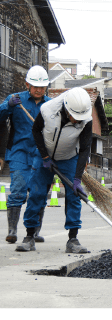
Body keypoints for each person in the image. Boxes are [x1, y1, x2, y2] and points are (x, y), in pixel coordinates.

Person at [16, 87, 93, 254]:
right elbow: (36, 130)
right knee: (36, 193)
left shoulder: (86, 118)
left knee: (74, 196)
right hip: (44, 155)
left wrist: (77, 179)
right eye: (74, 117)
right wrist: (44, 157)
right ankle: (29, 236)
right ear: (66, 108)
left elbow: (85, 149)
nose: (76, 121)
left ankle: (73, 239)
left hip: (69, 157)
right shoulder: (47, 110)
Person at [0, 65, 51, 243]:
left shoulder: (51, 105)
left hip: (42, 154)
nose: (38, 90)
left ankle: (35, 232)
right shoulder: (15, 100)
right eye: (35, 86)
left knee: (39, 193)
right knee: (18, 191)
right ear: (27, 84)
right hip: (19, 152)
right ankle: (12, 231)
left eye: (42, 87)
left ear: (46, 87)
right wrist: (7, 106)